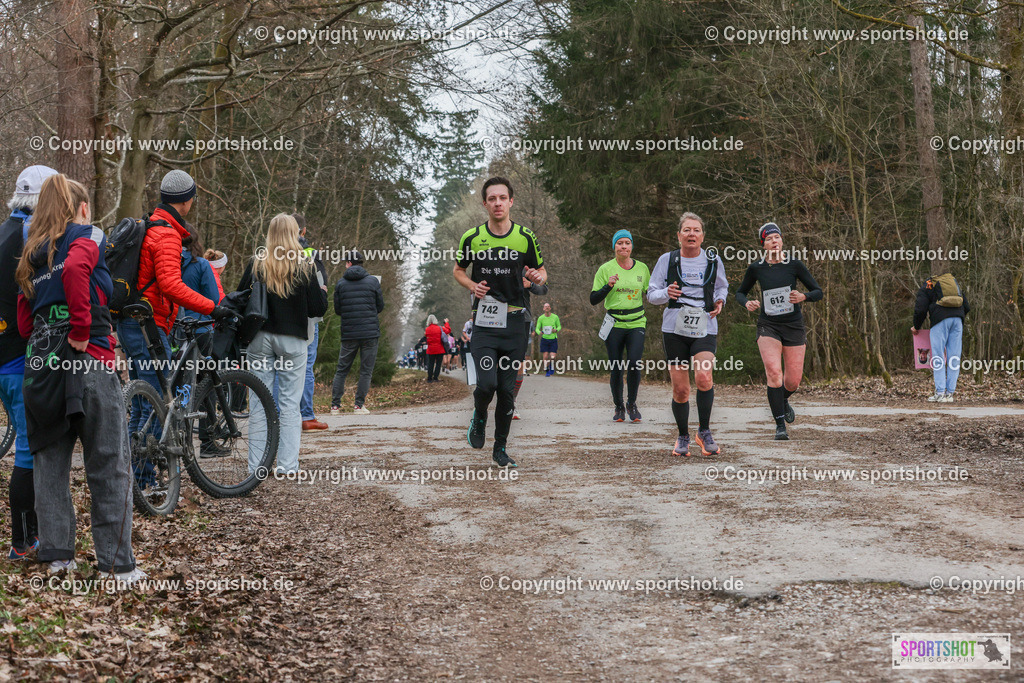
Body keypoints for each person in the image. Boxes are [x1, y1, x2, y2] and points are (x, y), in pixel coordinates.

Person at [15, 174, 142, 583]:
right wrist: (82, 329)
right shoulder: (85, 238)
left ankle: (57, 556)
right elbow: (74, 274)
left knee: (50, 461)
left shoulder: (30, 256)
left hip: (41, 367)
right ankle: (116, 562)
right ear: (77, 207)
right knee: (108, 460)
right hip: (89, 361)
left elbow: (22, 321)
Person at [117, 170, 231, 484]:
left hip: (133, 321)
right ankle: (143, 481)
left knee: (143, 403)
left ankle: (129, 477)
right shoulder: (166, 233)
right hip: (147, 324)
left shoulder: (150, 224)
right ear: (187, 200)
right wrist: (212, 307)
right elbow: (169, 285)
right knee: (157, 403)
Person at [453, 176, 546, 467]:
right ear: (485, 203)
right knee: (486, 384)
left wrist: (535, 278)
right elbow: (458, 270)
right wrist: (471, 286)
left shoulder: (525, 237)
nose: (497, 203)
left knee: (507, 390)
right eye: (492, 198)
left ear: (510, 201)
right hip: (484, 323)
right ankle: (479, 417)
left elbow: (542, 273)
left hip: (516, 322)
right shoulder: (472, 237)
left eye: (502, 198)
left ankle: (501, 449)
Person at [238, 213, 327, 475]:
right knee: (289, 405)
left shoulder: (257, 262)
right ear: (295, 233)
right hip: (293, 340)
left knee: (258, 402)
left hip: (260, 338)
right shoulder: (304, 264)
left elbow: (240, 297)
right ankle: (287, 466)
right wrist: (319, 293)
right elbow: (317, 308)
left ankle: (256, 467)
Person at [1, 165, 56, 561]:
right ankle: (24, 541)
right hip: (20, 358)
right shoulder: (30, 239)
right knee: (28, 448)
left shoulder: (2, 230)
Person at [647, 212, 728, 457]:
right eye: (687, 230)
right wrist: (666, 294)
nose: (691, 234)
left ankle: (703, 432)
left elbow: (722, 286)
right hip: (674, 328)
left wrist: (720, 300)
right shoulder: (667, 260)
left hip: (704, 325)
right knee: (681, 389)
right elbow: (651, 294)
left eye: (696, 230)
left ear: (703, 236)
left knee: (704, 376)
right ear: (679, 235)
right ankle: (683, 436)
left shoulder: (713, 260)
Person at [735, 223, 823, 440]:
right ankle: (780, 424)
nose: (774, 241)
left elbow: (818, 292)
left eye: (777, 237)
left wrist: (804, 297)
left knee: (793, 381)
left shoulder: (794, 265)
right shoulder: (756, 268)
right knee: (774, 373)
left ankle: (782, 399)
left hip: (793, 325)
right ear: (763, 245)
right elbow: (739, 293)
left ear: (782, 241)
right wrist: (747, 303)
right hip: (768, 326)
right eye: (769, 239)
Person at [592, 229, 651, 423]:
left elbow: (651, 294)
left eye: (627, 243)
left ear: (632, 246)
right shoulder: (605, 269)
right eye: (620, 243)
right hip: (614, 323)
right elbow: (593, 299)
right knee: (616, 367)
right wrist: (607, 286)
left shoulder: (642, 268)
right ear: (614, 247)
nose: (623, 246)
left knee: (634, 363)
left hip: (636, 322)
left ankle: (632, 404)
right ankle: (618, 407)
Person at [329, 250, 384, 415]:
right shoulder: (373, 281)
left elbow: (338, 310)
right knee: (365, 370)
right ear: (361, 263)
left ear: (348, 264)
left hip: (349, 333)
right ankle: (359, 406)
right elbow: (380, 306)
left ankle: (335, 406)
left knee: (342, 369)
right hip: (370, 333)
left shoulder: (340, 284)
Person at [912, 272, 970, 402]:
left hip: (940, 321)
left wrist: (916, 326)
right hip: (958, 320)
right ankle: (950, 393)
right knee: (954, 357)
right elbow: (967, 306)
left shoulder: (927, 286)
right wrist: (957, 316)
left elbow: (920, 309)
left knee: (938, 356)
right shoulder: (953, 283)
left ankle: (939, 393)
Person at [513, 269, 548, 420]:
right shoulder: (493, 260)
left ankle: (511, 402)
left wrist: (530, 284)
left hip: (522, 319)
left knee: (518, 363)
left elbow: (544, 288)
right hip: (497, 319)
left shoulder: (525, 268)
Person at [534, 302, 561, 376]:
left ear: (550, 308)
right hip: (545, 339)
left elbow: (559, 326)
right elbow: (537, 328)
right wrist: (540, 332)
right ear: (543, 308)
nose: (547, 308)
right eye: (545, 307)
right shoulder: (541, 318)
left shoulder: (555, 317)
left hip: (553, 339)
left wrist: (556, 330)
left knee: (552, 356)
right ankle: (546, 369)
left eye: (548, 306)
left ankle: (551, 366)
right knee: (545, 356)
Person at [419, 315, 445, 382]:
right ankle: (435, 377)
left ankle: (429, 378)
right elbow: (448, 331)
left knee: (431, 363)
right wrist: (446, 323)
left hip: (431, 349)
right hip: (439, 348)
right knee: (438, 364)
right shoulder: (440, 328)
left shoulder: (427, 329)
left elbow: (426, 336)